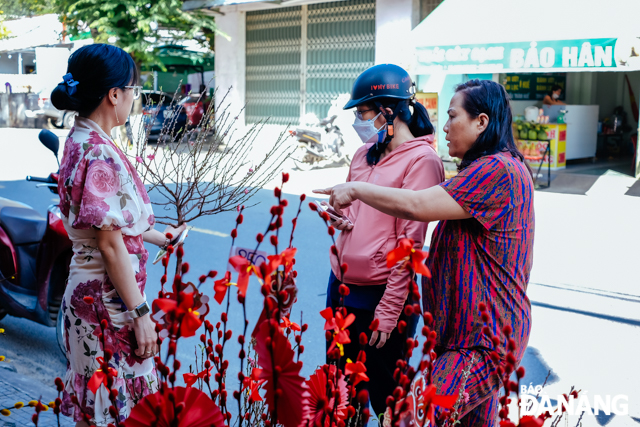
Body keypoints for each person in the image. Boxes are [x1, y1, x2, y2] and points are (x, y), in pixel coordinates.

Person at [317, 79, 534, 426]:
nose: (444, 127)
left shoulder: (499, 171)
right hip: (461, 338)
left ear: (481, 121)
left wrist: (356, 189)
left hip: (480, 344)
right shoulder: (480, 170)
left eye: (452, 116)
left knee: (409, 419)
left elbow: (417, 207)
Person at [52, 44, 186, 427]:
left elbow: (105, 227)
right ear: (114, 94)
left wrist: (158, 237)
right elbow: (110, 246)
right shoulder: (100, 152)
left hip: (90, 293)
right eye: (134, 91)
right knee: (117, 409)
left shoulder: (81, 139)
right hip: (108, 301)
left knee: (98, 404)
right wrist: (141, 313)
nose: (135, 99)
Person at [324, 64, 444, 417]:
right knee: (338, 397)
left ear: (387, 112)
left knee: (386, 404)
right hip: (341, 286)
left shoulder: (423, 161)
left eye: (362, 112)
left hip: (382, 298)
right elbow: (355, 214)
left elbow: (411, 246)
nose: (357, 122)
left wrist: (389, 311)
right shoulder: (364, 154)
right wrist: (341, 220)